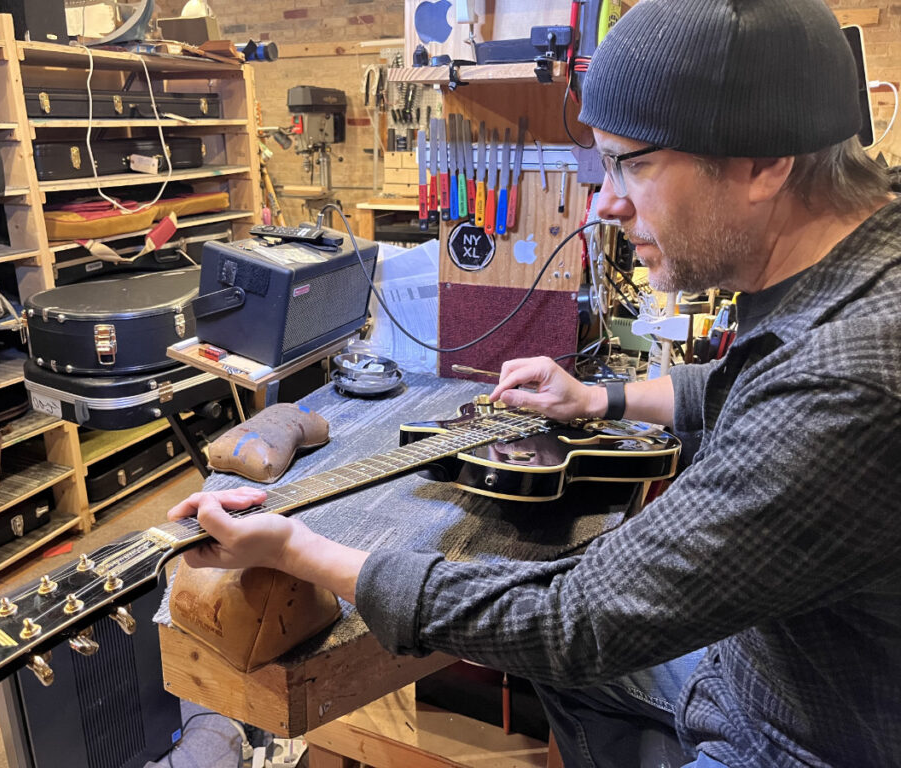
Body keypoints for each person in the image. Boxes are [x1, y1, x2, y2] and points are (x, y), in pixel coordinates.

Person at [168, 0, 900, 765]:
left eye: (634, 162)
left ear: (764, 162)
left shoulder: (850, 378)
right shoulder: (846, 271)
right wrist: (597, 398)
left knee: (554, 642)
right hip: (759, 665)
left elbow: (572, 624)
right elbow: (733, 383)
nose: (607, 202)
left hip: (798, 740)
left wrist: (299, 551)